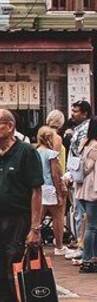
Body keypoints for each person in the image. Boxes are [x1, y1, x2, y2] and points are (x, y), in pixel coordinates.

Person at [0, 109, 44, 302]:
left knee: (16, 274)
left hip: (18, 221)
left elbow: (36, 191)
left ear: (10, 126)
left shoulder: (27, 152)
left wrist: (35, 228)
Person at [66, 100, 92, 261]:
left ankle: (83, 247)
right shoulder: (78, 128)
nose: (73, 114)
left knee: (82, 214)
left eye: (76, 111)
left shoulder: (86, 129)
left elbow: (80, 154)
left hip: (81, 174)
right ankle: (81, 244)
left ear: (85, 113)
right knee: (79, 212)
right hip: (76, 173)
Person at [36, 126, 67, 255]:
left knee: (37, 218)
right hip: (49, 187)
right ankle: (59, 246)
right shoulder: (51, 154)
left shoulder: (35, 152)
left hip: (38, 187)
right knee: (57, 216)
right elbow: (55, 174)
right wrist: (59, 193)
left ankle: (33, 244)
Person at [75, 117, 97, 273]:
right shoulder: (95, 146)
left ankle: (91, 258)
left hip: (82, 188)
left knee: (91, 225)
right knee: (92, 227)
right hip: (92, 189)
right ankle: (88, 259)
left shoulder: (84, 143)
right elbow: (91, 167)